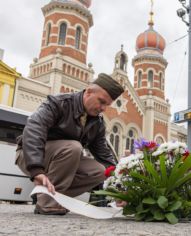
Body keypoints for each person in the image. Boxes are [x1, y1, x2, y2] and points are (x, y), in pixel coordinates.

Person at [15, 73, 124, 215]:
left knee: (100, 171)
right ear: (89, 91)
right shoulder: (59, 103)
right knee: (74, 147)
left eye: (107, 105)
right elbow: (34, 129)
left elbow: (105, 157)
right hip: (29, 155)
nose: (103, 108)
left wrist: (121, 189)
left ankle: (50, 195)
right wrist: (36, 169)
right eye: (101, 102)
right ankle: (48, 203)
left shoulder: (97, 123)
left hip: (64, 159)